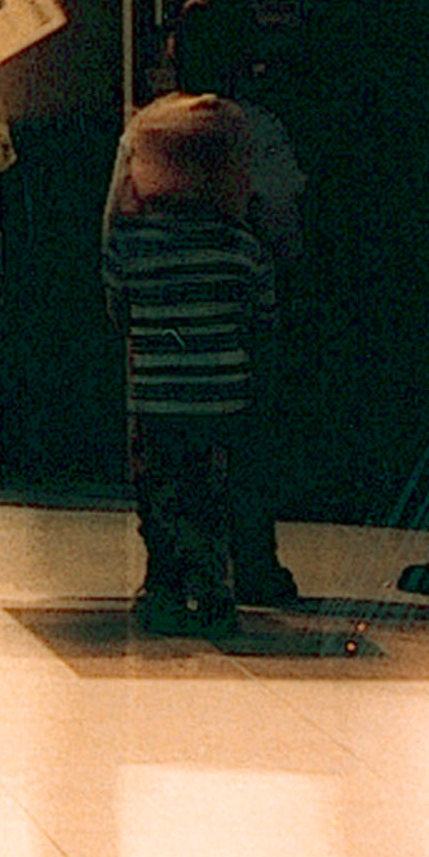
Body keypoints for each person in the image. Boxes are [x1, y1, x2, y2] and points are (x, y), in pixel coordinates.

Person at [109, 0, 306, 610]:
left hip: (161, 343)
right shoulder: (258, 130)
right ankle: (249, 564)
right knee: (245, 454)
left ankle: (165, 573)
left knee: (160, 469)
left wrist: (127, 309)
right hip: (233, 339)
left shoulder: (146, 128)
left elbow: (115, 228)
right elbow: (283, 225)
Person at [102, 89, 279, 634]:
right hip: (222, 396)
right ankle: (215, 588)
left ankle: (164, 585)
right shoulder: (239, 246)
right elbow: (261, 315)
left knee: (158, 493)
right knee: (213, 493)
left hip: (156, 397)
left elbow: (118, 307)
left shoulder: (135, 245)